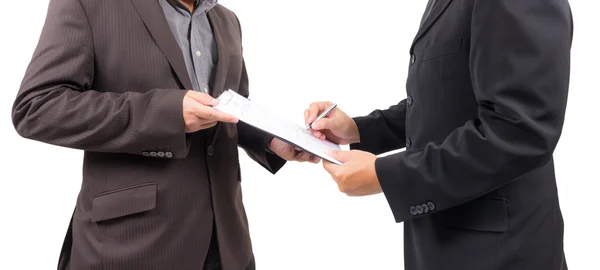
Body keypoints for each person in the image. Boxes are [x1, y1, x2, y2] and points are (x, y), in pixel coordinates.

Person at [11, 0, 319, 269]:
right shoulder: (88, 3)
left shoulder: (227, 20)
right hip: (133, 246)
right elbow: (36, 107)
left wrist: (271, 139)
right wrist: (168, 114)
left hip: (228, 246)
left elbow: (230, 107)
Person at [305, 0, 573, 269]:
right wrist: (360, 130)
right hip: (447, 243)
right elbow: (449, 97)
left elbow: (519, 131)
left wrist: (386, 176)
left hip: (500, 253)